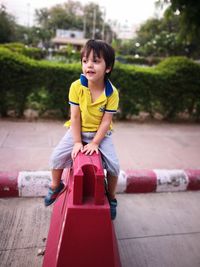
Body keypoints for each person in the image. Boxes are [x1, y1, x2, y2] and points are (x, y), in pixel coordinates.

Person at [44, 39, 120, 220]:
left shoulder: (112, 93)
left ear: (107, 67)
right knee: (56, 157)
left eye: (95, 61)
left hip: (101, 134)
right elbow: (75, 117)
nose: (89, 65)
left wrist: (95, 142)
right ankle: (56, 186)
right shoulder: (76, 87)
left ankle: (111, 197)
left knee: (114, 166)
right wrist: (77, 141)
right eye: (85, 61)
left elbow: (106, 121)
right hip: (76, 130)